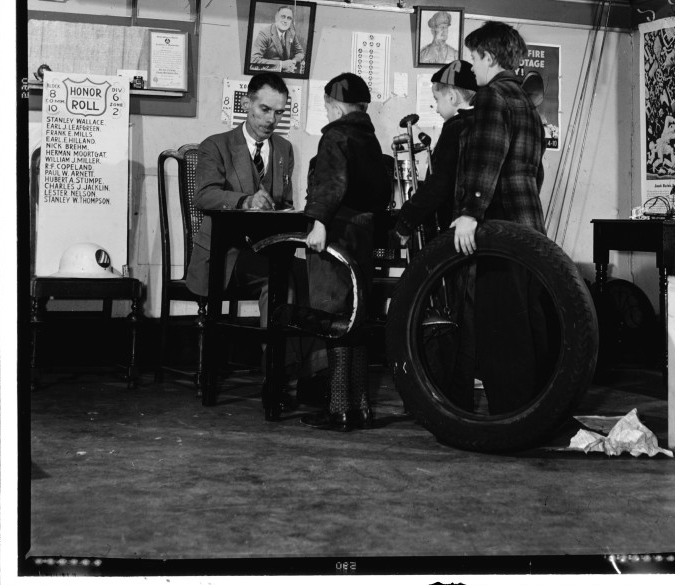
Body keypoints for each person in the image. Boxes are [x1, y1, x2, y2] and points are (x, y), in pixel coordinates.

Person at [185, 72, 304, 408]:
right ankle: (278, 378)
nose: (271, 120)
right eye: (265, 109)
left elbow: (283, 203)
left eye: (279, 113)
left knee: (307, 273)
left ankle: (307, 373)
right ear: (246, 103)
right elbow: (204, 196)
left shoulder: (283, 149)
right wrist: (244, 201)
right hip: (225, 257)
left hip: (263, 251)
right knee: (278, 279)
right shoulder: (216, 145)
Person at [451, 21, 549, 414]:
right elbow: (535, 169)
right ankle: (532, 410)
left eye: (474, 59)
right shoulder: (525, 100)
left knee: (500, 324)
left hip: (499, 225)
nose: (471, 68)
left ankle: (510, 416)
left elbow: (485, 157)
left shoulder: (492, 97)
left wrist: (469, 213)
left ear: (489, 57)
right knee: (526, 320)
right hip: (528, 222)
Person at [300, 72, 391, 432]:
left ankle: (338, 408)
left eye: (326, 107)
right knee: (356, 319)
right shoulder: (370, 141)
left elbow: (330, 182)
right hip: (363, 239)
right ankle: (360, 407)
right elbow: (383, 191)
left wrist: (319, 222)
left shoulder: (336, 136)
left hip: (336, 236)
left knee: (334, 318)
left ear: (336, 107)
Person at [394, 60, 477, 243]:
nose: (437, 108)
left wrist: (406, 221)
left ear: (452, 97)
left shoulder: (455, 128)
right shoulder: (484, 124)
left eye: (437, 100)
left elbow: (439, 183)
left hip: (454, 226)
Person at [250, 5, 305, 73]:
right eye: (283, 17)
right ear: (276, 17)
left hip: (288, 71)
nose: (285, 21)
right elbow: (254, 60)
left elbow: (300, 52)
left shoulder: (291, 33)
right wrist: (281, 65)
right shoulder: (265, 33)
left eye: (289, 18)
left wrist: (293, 62)